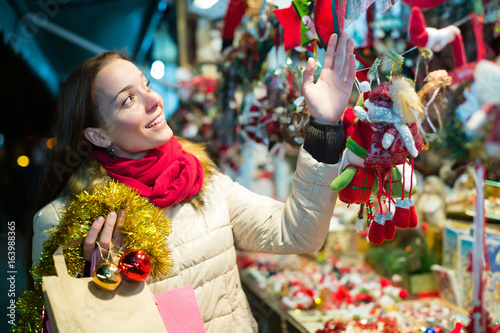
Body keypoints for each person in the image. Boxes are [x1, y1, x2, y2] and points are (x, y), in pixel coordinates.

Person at [31, 32, 355, 332]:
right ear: (98, 135)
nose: (153, 100)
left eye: (145, 85)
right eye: (127, 100)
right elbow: (55, 319)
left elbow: (297, 233)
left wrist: (324, 127)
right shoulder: (64, 221)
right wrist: (96, 281)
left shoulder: (203, 180)